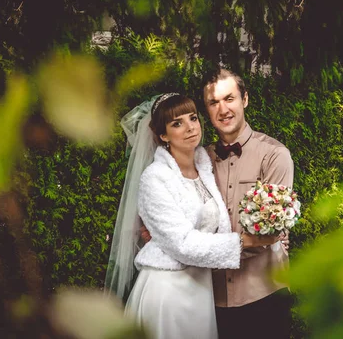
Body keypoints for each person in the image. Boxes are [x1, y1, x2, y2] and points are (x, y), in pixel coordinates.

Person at [104, 93, 279, 339]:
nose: (190, 127)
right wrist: (243, 242)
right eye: (177, 123)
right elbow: (182, 244)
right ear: (163, 135)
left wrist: (269, 233)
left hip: (200, 290)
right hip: (168, 292)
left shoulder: (206, 168)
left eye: (193, 118)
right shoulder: (154, 178)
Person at [203, 69, 294, 339]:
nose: (223, 109)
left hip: (263, 296)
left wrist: (200, 249)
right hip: (211, 300)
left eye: (229, 98)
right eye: (213, 102)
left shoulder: (275, 155)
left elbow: (267, 234)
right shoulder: (199, 161)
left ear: (245, 99)